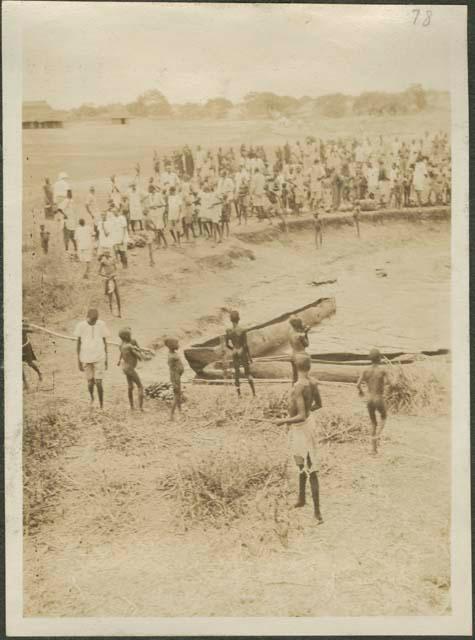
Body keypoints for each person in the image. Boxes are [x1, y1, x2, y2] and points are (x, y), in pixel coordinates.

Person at [275, 353, 323, 524]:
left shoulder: (298, 386)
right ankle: (302, 499)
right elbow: (318, 405)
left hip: (301, 428)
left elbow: (301, 415)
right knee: (302, 464)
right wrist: (307, 413)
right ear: (309, 367)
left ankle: (317, 513)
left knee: (311, 468)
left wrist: (283, 420)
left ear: (295, 367)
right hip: (309, 425)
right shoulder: (312, 382)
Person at [74, 308, 110, 409]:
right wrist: (78, 361)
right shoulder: (81, 326)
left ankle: (101, 404)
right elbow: (78, 343)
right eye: (92, 321)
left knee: (99, 382)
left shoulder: (101, 324)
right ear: (87, 317)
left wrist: (107, 358)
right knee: (90, 382)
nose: (94, 322)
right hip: (85, 358)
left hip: (99, 357)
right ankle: (92, 398)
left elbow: (104, 341)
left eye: (96, 320)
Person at [356, 348, 389, 455]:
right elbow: (390, 383)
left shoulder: (365, 370)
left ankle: (373, 450)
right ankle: (377, 436)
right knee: (384, 417)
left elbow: (357, 384)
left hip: (369, 399)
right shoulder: (383, 371)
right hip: (378, 398)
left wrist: (361, 392)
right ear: (379, 358)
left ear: (370, 359)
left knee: (373, 423)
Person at [225, 310, 256, 398]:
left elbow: (227, 344)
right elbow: (245, 345)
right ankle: (254, 393)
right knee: (248, 373)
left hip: (234, 351)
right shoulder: (242, 330)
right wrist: (249, 357)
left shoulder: (228, 331)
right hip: (241, 351)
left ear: (231, 320)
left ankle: (239, 395)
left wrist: (233, 349)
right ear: (238, 319)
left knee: (237, 373)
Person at [117, 328, 144, 411]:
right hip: (130, 369)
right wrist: (142, 355)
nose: (131, 336)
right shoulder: (129, 346)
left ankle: (132, 407)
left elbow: (121, 353)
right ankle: (141, 408)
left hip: (125, 368)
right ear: (126, 336)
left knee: (130, 387)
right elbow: (139, 356)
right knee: (140, 386)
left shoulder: (121, 345)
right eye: (130, 335)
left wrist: (118, 360)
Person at [165, 337, 184, 420]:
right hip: (175, 377)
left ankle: (180, 411)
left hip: (177, 377)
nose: (178, 345)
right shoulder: (171, 356)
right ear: (172, 345)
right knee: (176, 396)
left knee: (178, 395)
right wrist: (174, 382)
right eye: (177, 343)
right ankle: (171, 415)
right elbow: (171, 370)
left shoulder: (174, 353)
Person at [98, 249, 121, 317]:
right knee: (110, 296)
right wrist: (106, 276)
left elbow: (116, 269)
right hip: (108, 279)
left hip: (114, 278)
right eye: (106, 252)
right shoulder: (103, 261)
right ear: (104, 254)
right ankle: (111, 312)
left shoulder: (112, 259)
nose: (107, 253)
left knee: (118, 296)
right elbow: (99, 272)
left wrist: (114, 274)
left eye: (108, 252)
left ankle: (119, 312)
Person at [288, 315, 310, 384]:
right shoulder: (301, 336)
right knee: (303, 376)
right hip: (301, 356)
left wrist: (303, 331)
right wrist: (306, 333)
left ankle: (293, 391)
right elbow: (307, 344)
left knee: (295, 376)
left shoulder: (290, 332)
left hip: (293, 355)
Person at [22, 319, 42, 389]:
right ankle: (25, 384)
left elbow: (31, 328)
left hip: (26, 347)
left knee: (30, 363)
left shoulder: (22, 325)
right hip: (16, 347)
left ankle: (39, 373)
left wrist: (27, 326)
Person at [58, 189, 78, 254]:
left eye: (71, 193)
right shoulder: (65, 201)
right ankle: (66, 250)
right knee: (66, 236)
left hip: (72, 221)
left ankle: (76, 249)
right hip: (66, 222)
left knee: (73, 236)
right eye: (69, 193)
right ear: (67, 194)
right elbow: (59, 209)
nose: (70, 194)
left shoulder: (72, 201)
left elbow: (74, 211)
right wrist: (64, 215)